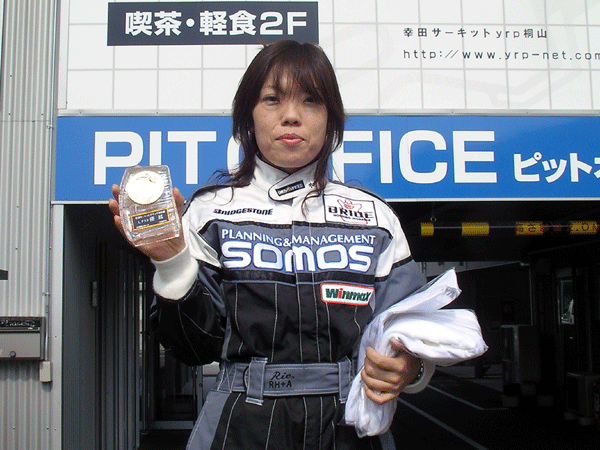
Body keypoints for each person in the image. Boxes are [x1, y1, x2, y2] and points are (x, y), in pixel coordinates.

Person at [109, 40, 430, 450]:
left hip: (351, 424)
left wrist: (410, 366)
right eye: (272, 99)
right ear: (248, 116)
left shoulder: (374, 217)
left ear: (331, 119)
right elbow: (193, 348)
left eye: (310, 100)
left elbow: (410, 328)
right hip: (241, 423)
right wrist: (173, 263)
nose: (291, 115)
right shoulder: (210, 212)